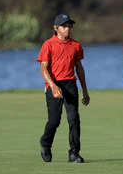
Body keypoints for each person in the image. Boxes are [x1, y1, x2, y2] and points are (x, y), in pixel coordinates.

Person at [37, 14, 90, 163]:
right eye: (64, 26)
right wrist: (53, 86)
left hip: (70, 84)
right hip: (54, 83)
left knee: (74, 120)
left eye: (69, 26)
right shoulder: (48, 44)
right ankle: (45, 144)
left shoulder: (76, 45)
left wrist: (85, 90)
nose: (67, 29)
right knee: (54, 121)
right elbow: (43, 69)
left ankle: (74, 153)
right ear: (56, 28)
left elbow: (79, 68)